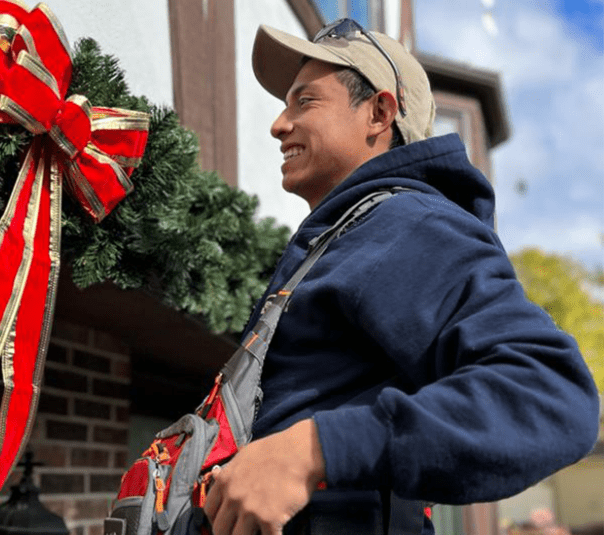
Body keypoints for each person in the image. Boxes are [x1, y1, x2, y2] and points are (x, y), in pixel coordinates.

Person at [202, 19, 600, 535]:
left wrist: (313, 450)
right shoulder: (357, 234)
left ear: (379, 113)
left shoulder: (405, 224)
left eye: (305, 102)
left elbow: (548, 394)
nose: (279, 124)